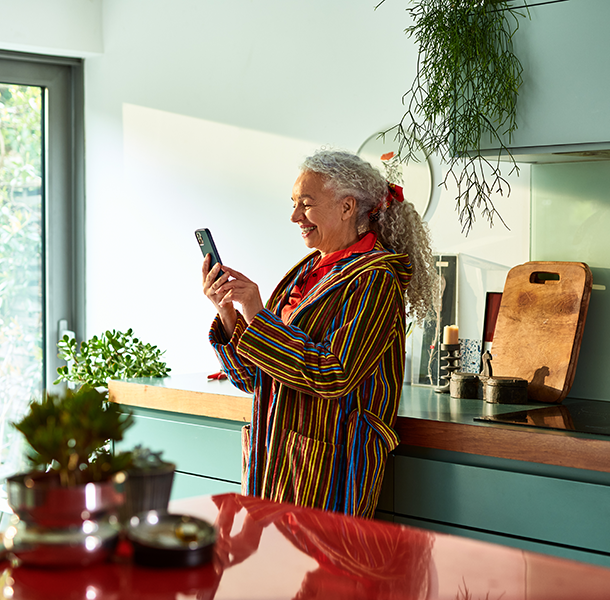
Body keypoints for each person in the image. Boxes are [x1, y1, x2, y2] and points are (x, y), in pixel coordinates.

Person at [202, 149, 436, 518]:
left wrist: (257, 314)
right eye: (294, 204)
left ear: (346, 207)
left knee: (325, 575)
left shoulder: (375, 279)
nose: (295, 217)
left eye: (305, 205)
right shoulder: (308, 270)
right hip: (274, 464)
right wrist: (231, 314)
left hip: (329, 469)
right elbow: (253, 378)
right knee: (278, 573)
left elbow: (334, 373)